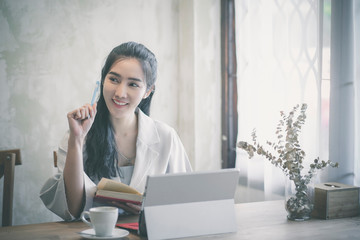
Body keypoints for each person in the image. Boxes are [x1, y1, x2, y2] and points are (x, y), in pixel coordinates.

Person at [40, 42, 192, 221]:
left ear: (148, 91)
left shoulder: (166, 136)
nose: (120, 93)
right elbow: (72, 209)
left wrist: (147, 210)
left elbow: (186, 202)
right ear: (103, 80)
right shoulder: (76, 134)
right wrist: (77, 139)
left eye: (133, 84)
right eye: (114, 79)